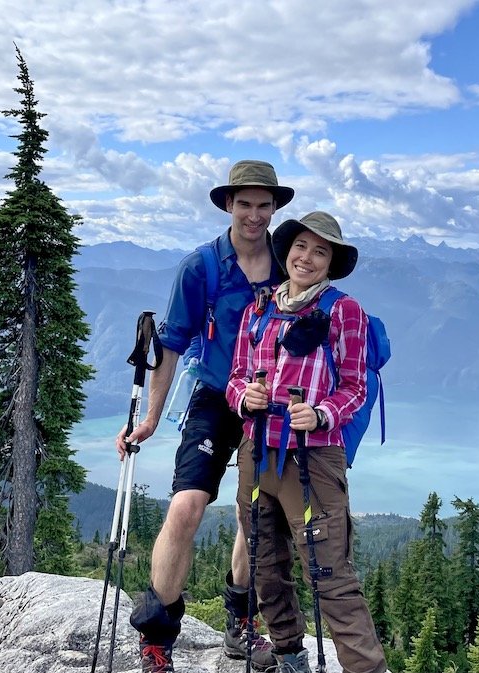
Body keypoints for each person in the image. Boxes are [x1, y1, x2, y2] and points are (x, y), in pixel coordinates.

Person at [116, 160, 295, 673]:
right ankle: (156, 635)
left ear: (275, 208)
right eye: (246, 204)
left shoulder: (289, 264)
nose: (255, 215)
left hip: (269, 404)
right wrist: (149, 419)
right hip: (216, 397)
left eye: (265, 205)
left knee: (254, 514)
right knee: (186, 506)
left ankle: (241, 624)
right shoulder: (202, 267)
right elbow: (169, 346)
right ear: (228, 205)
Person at [226, 212, 388, 673]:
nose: (307, 258)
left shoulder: (343, 310)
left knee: (330, 574)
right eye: (301, 247)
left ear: (331, 262)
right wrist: (245, 397)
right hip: (258, 450)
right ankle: (287, 654)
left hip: (313, 457)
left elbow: (355, 387)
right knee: (265, 563)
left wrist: (320, 414)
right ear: (287, 250)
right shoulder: (258, 309)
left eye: (321, 251)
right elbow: (237, 377)